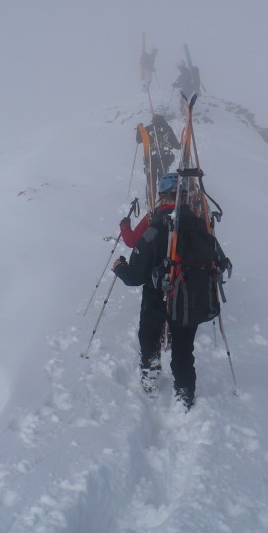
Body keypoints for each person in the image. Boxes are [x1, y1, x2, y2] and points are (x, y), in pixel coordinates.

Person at [112, 173, 199, 410]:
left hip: (157, 296)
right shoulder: (198, 223)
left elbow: (135, 276)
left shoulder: (154, 228)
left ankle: (150, 374)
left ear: (161, 196)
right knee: (183, 347)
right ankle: (184, 393)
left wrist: (119, 268)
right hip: (191, 298)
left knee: (149, 335)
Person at [136, 112, 181, 183]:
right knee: (163, 176)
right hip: (165, 156)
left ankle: (151, 191)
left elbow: (138, 140)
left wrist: (139, 129)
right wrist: (184, 142)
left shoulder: (148, 128)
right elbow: (177, 146)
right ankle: (163, 190)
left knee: (151, 179)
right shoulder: (167, 129)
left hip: (151, 157)